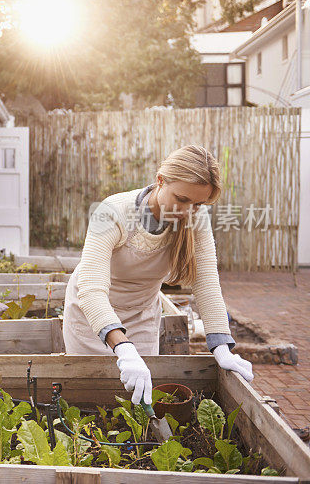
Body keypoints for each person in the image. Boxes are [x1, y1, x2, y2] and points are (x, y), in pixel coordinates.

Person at [64, 145, 254, 405]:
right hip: (91, 316)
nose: (188, 210)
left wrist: (222, 346)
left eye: (198, 204)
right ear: (160, 181)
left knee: (139, 403)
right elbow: (91, 288)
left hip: (141, 315)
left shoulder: (196, 220)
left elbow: (207, 282)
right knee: (90, 400)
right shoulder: (113, 211)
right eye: (182, 199)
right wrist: (122, 346)